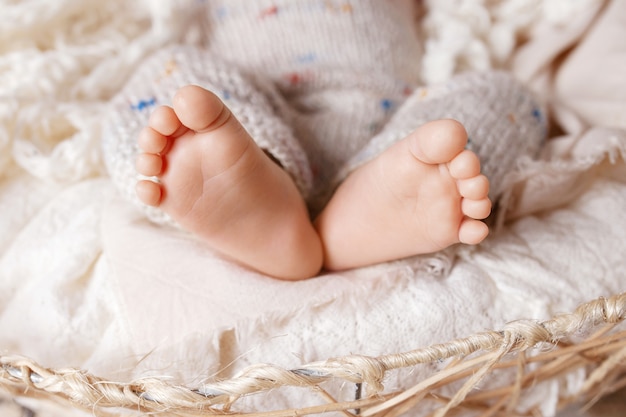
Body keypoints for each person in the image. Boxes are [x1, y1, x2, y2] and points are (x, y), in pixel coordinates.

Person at [103, 0, 546, 280]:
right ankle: (260, 205)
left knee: (507, 95)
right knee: (171, 81)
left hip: (398, 146)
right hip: (247, 129)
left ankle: (352, 223)